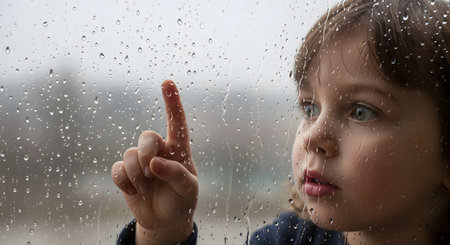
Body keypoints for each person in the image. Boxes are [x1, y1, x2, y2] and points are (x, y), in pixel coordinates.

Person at [111, 0, 450, 244]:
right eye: (309, 108)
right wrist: (161, 233)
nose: (314, 136)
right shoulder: (286, 240)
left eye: (361, 111)